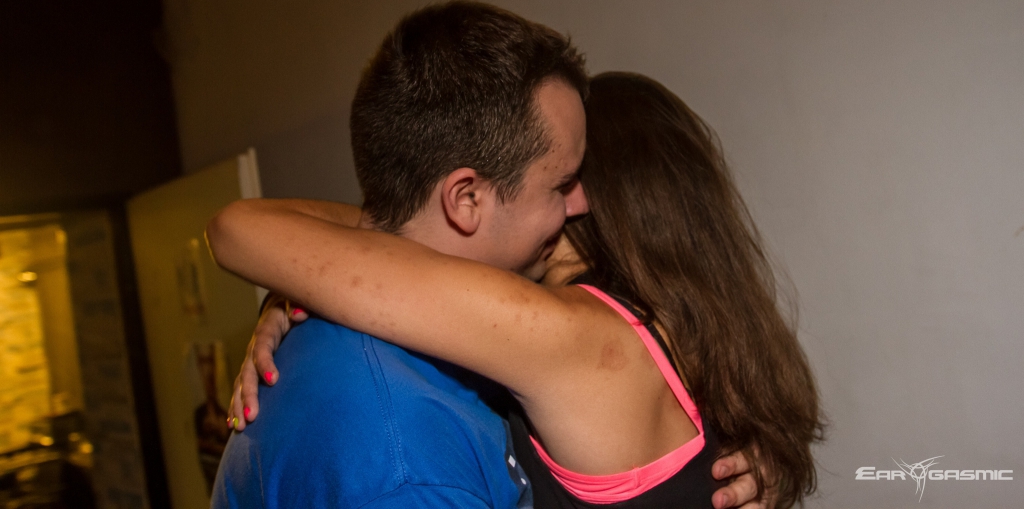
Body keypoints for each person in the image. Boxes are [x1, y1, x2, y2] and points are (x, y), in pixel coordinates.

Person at [211, 67, 823, 506]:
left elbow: (241, 229)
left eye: (560, 178)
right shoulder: (688, 326)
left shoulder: (569, 335)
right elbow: (404, 236)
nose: (560, 196)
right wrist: (297, 290)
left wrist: (300, 279)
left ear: (600, 199)